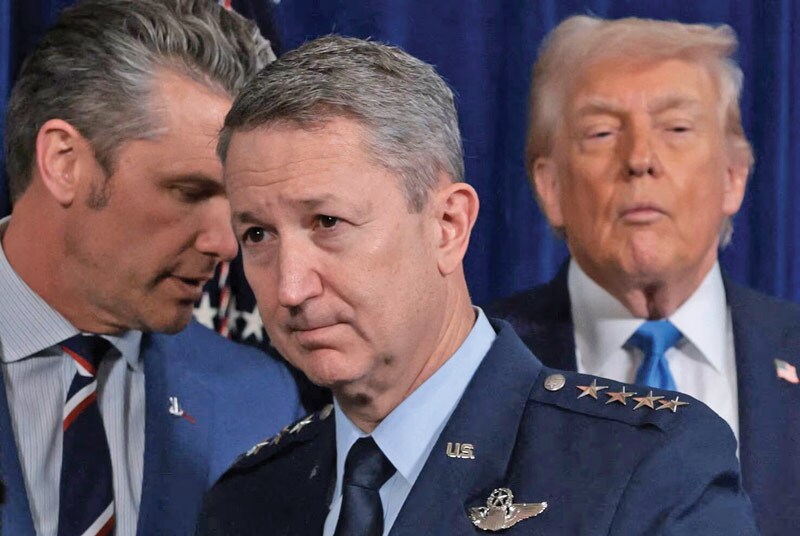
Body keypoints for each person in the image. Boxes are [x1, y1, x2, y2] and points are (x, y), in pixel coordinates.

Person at [196, 35, 756, 535]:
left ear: (448, 226)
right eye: (258, 234)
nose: (290, 288)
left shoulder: (644, 468)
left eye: (327, 222)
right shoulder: (246, 501)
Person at [486, 15, 800, 534]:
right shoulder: (475, 365)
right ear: (551, 186)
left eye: (676, 128)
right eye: (602, 132)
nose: (639, 159)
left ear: (733, 177)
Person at [0, 1, 304, 534]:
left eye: (237, 209)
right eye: (189, 192)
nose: (226, 246)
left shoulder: (259, 401)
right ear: (64, 162)